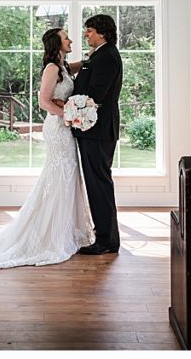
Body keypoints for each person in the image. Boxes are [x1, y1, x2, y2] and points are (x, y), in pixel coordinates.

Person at [0, 27, 95, 269]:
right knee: (60, 174)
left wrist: (94, 55)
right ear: (56, 44)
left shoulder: (64, 67)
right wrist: (68, 115)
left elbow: (81, 65)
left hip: (65, 126)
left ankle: (67, 229)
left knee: (68, 175)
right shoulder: (51, 68)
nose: (70, 40)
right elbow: (43, 101)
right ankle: (51, 235)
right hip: (58, 128)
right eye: (66, 38)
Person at [72, 14, 123, 255]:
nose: (86, 34)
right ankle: (106, 237)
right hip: (95, 131)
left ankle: (106, 241)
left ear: (102, 33)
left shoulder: (107, 57)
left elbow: (95, 95)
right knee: (97, 183)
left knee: (99, 183)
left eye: (89, 30)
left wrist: (68, 104)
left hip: (98, 131)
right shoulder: (101, 55)